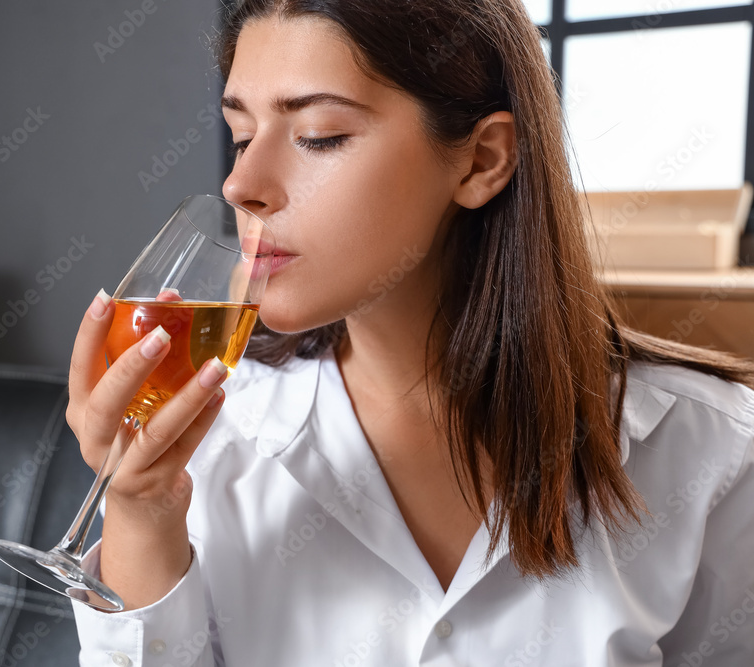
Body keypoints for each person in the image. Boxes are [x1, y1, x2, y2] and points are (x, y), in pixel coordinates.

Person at [66, 1, 754, 664]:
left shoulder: (712, 450)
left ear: (483, 160)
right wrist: (141, 511)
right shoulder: (209, 440)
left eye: (319, 136)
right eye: (243, 136)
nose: (241, 182)